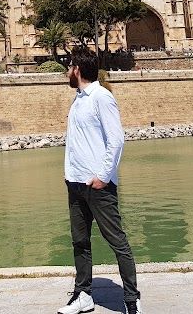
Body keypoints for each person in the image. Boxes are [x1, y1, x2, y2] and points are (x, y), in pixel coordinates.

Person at [58, 47, 141, 314]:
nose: (67, 72)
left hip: (97, 186)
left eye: (69, 66)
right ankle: (83, 295)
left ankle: (131, 300)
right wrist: (70, 175)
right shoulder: (78, 99)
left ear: (78, 70)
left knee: (117, 241)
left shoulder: (102, 97)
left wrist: (103, 177)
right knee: (79, 242)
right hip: (76, 183)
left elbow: (116, 140)